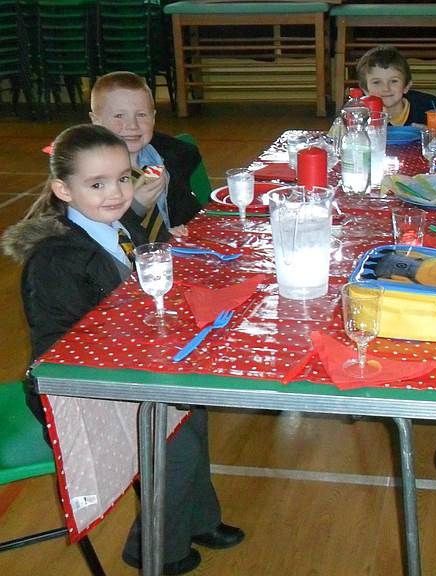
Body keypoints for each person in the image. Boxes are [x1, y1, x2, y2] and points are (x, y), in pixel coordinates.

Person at [1, 124, 243, 576]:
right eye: (97, 184)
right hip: (75, 387)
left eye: (122, 179)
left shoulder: (120, 223)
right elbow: (57, 349)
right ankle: (156, 550)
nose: (115, 193)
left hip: (128, 360)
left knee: (192, 409)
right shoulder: (55, 259)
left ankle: (197, 520)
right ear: (63, 190)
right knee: (169, 440)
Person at [90, 71, 203, 242]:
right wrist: (135, 207)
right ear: (96, 121)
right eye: (119, 116)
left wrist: (176, 229)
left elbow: (181, 208)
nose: (132, 125)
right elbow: (98, 235)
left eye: (141, 115)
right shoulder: (91, 175)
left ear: (153, 118)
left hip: (168, 249)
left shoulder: (161, 159)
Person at [356, 45, 436, 128]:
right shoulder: (359, 118)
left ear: (406, 86)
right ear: (365, 90)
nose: (386, 88)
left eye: (394, 81)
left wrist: (430, 134)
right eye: (377, 82)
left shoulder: (428, 112)